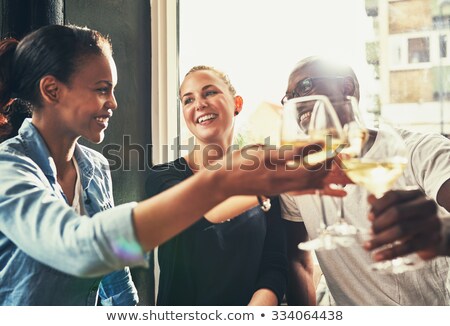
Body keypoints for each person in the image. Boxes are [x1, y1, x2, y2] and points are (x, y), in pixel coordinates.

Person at [0, 26, 332, 306]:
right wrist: (226, 181)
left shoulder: (94, 168)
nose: (113, 103)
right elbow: (83, 248)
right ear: (52, 90)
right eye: (102, 90)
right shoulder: (9, 168)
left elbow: (115, 268)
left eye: (112, 91)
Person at [280, 56, 450, 305]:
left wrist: (443, 232)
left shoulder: (419, 150)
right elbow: (298, 260)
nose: (297, 101)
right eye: (289, 96)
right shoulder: (295, 177)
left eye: (305, 87)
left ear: (346, 88)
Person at [146, 66, 288, 305]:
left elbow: (274, 265)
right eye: (188, 100)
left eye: (209, 93)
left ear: (237, 104)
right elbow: (202, 213)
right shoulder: (162, 179)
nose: (199, 104)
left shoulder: (262, 180)